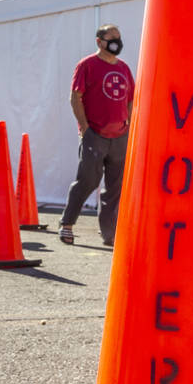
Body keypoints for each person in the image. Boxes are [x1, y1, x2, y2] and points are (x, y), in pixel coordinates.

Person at [58, 25, 135, 247]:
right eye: (112, 39)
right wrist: (85, 127)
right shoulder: (87, 65)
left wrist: (127, 124)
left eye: (119, 38)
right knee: (88, 180)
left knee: (115, 187)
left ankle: (109, 234)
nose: (117, 43)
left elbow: (130, 98)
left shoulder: (124, 68)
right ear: (99, 41)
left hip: (120, 136)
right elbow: (75, 97)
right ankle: (67, 223)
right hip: (95, 134)